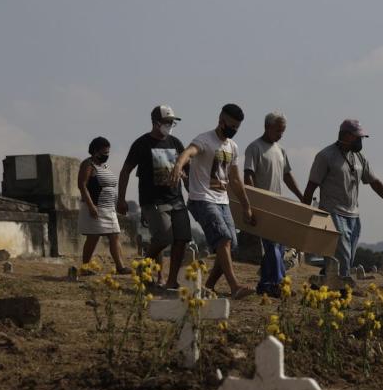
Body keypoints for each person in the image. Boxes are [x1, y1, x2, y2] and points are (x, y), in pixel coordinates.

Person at [168, 104, 257, 299]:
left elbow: (234, 179)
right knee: (223, 239)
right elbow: (188, 152)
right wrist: (178, 166)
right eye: (231, 125)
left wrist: (246, 206)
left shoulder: (233, 147)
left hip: (222, 201)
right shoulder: (204, 140)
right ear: (221, 121)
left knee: (231, 245)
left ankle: (208, 286)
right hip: (202, 199)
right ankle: (235, 287)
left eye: (237, 128)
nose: (233, 130)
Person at [302, 119, 383, 279]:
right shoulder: (325, 156)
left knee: (348, 257)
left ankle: (324, 280)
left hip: (353, 215)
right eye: (357, 137)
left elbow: (375, 182)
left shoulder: (359, 157)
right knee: (343, 256)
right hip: (332, 213)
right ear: (345, 135)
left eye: (362, 137)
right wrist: (304, 215)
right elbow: (311, 187)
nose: (360, 140)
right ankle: (342, 290)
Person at [117, 104, 192, 290]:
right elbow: (126, 170)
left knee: (182, 238)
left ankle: (171, 280)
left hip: (176, 199)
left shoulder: (175, 143)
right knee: (163, 238)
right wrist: (121, 198)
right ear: (155, 122)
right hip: (153, 200)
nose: (170, 125)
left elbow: (188, 170)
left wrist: (190, 187)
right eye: (167, 122)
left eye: (172, 122)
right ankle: (143, 266)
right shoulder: (142, 144)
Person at [243, 111, 304, 296]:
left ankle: (266, 284)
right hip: (263, 204)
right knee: (272, 245)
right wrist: (252, 203)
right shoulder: (254, 148)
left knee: (278, 246)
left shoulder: (281, 150)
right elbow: (248, 176)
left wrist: (301, 196)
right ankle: (278, 283)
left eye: (282, 131)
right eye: (278, 130)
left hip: (278, 204)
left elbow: (287, 175)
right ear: (267, 127)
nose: (280, 134)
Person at [78, 136, 129, 273]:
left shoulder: (104, 166)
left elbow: (111, 187)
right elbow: (82, 185)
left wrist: (118, 202)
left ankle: (120, 266)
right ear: (95, 151)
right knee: (93, 237)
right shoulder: (88, 165)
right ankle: (85, 267)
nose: (106, 155)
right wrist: (91, 206)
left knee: (115, 235)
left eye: (108, 153)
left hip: (109, 208)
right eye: (104, 153)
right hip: (96, 207)